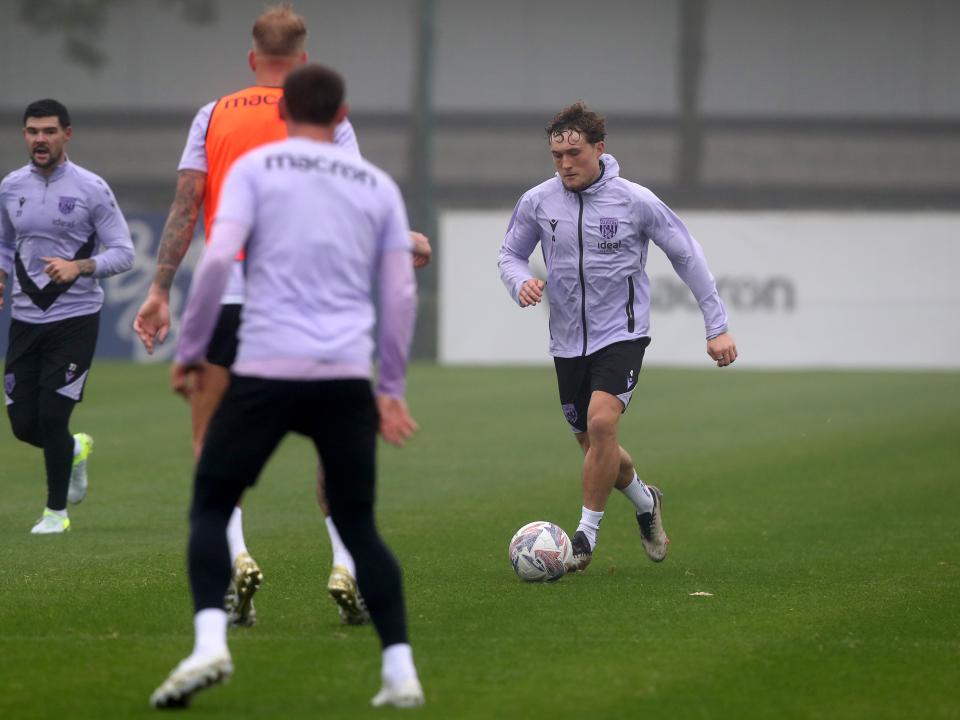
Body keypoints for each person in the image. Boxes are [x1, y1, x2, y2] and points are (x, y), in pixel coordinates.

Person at [132, 3, 429, 627]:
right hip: (313, 303)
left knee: (211, 442)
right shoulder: (326, 119)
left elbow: (186, 204)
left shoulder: (213, 114)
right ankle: (345, 562)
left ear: (251, 57)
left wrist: (160, 288)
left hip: (231, 297)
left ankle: (235, 556)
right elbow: (350, 199)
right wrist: (401, 241)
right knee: (333, 444)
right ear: (302, 60)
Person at [498, 102, 738, 572]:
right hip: (567, 342)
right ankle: (646, 500)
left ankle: (584, 538)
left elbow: (687, 255)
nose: (565, 164)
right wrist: (519, 281)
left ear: (599, 148)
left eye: (574, 153)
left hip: (622, 335)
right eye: (557, 156)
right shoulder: (538, 201)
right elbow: (510, 254)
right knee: (597, 450)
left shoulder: (635, 201)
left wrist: (718, 327)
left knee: (603, 424)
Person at [0, 99, 134, 534]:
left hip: (75, 319)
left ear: (67, 134)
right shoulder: (10, 186)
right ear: (25, 135)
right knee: (24, 425)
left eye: (49, 131)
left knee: (53, 417)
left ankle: (56, 513)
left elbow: (124, 252)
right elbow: (4, 242)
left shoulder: (91, 188)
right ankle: (73, 450)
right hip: (25, 321)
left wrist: (80, 266)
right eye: (32, 131)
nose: (40, 139)